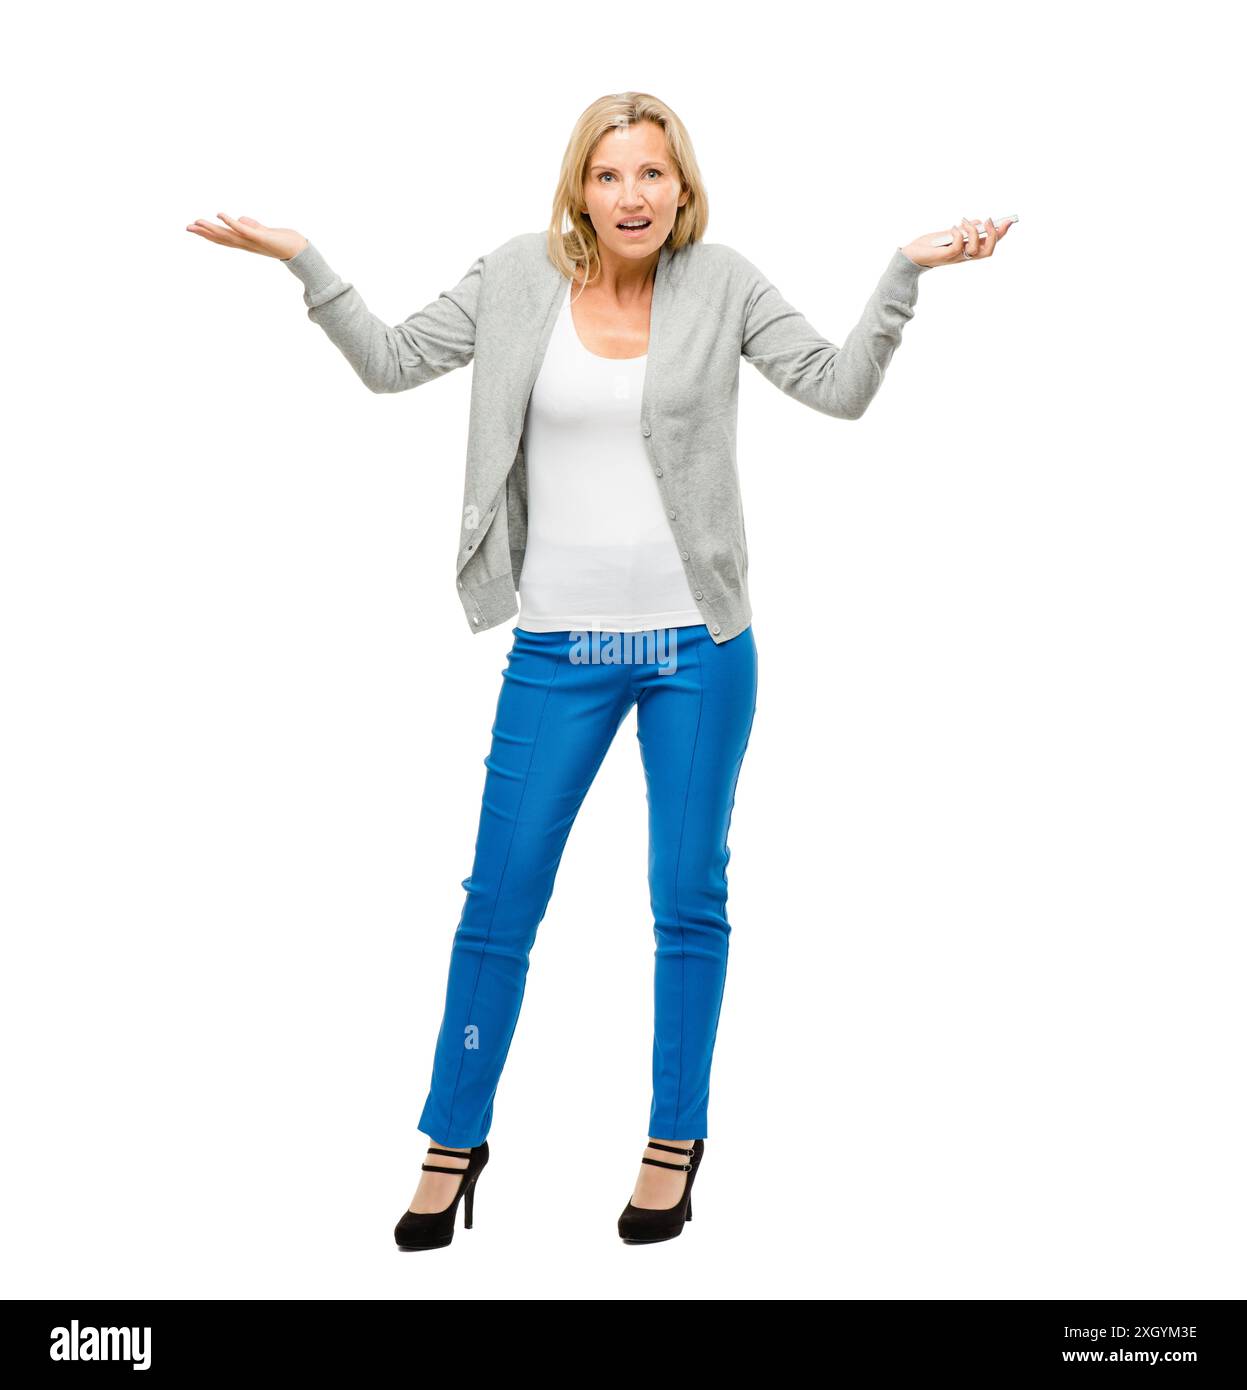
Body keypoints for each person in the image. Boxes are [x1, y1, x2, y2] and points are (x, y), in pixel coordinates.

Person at [187, 90, 1012, 1251]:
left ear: (682, 189)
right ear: (580, 184)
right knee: (498, 904)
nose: (632, 196)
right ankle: (451, 1136)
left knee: (687, 900)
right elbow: (388, 362)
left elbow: (838, 388)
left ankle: (673, 1140)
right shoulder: (517, 278)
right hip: (557, 653)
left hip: (695, 651)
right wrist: (303, 262)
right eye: (611, 174)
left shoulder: (720, 282)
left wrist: (902, 276)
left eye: (653, 176)